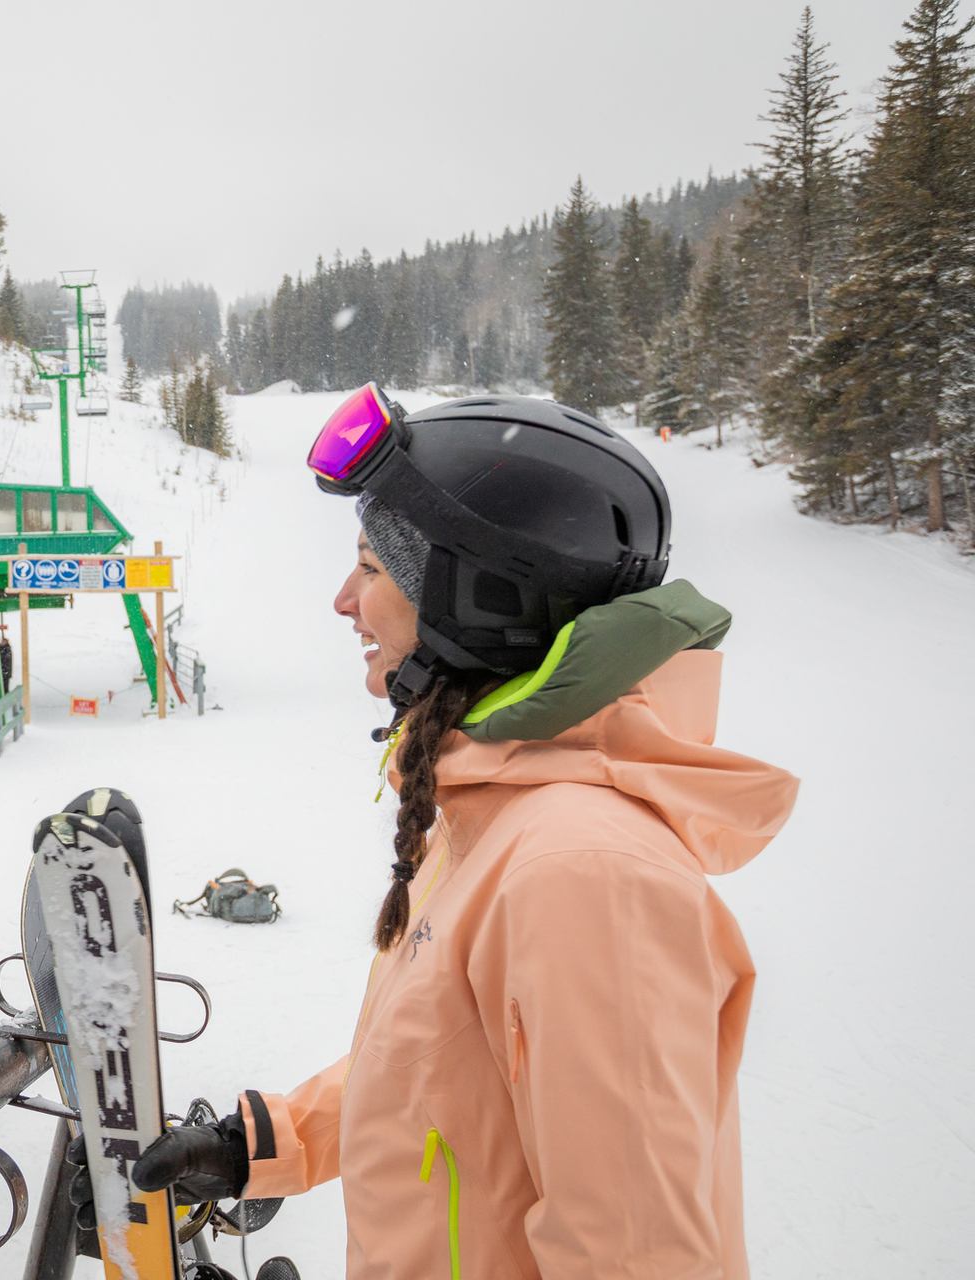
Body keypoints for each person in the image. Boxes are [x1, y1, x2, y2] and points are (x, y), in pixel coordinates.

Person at [97, 388, 798, 1277]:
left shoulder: (581, 874)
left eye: (374, 569)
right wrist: (267, 1145)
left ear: (475, 602)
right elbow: (447, 1085)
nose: (343, 601)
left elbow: (638, 1256)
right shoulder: (498, 822)